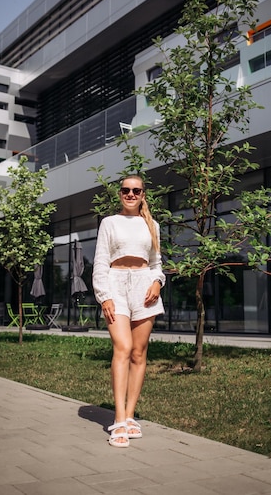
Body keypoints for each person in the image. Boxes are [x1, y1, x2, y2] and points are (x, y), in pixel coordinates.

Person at [92, 174, 165, 448]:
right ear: (120, 193)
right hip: (116, 284)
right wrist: (105, 296)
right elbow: (100, 262)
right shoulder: (109, 222)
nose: (131, 194)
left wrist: (158, 282)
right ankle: (119, 419)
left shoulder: (152, 225)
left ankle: (131, 414)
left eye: (136, 190)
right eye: (126, 190)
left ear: (143, 194)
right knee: (122, 347)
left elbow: (157, 262)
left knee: (138, 351)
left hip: (144, 287)